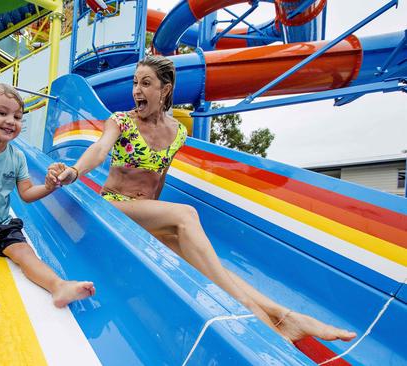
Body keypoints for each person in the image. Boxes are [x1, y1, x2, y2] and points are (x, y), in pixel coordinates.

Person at [49, 55, 356, 343]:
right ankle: (253, 312)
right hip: (113, 208)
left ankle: (286, 316)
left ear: (165, 89)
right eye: (134, 83)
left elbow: (160, 179)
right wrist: (75, 171)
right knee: (187, 215)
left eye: (145, 83)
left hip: (145, 218)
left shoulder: (177, 132)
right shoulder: (121, 121)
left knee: (212, 266)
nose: (136, 91)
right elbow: (100, 149)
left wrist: (161, 229)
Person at [0, 83, 95, 321]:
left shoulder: (17, 157)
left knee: (26, 254)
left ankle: (58, 286)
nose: (10, 121)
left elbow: (25, 193)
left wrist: (47, 186)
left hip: (2, 225)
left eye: (17, 116)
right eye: (2, 113)